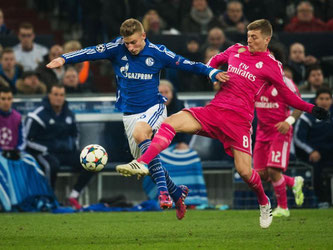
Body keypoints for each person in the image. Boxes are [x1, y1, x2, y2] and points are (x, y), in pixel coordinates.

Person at [116, 19, 329, 228]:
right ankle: (143, 162)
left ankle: (264, 202)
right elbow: (213, 62)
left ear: (267, 39)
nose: (250, 41)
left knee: (245, 172)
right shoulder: (236, 49)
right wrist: (213, 75)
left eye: (254, 37)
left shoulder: (272, 65)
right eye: (248, 36)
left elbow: (288, 96)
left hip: (239, 122)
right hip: (215, 110)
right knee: (170, 122)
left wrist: (311, 109)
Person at [46, 18, 223, 219]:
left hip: (154, 107)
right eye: (127, 43)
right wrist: (63, 59)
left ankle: (163, 194)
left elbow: (187, 64)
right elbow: (91, 51)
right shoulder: (117, 47)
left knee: (142, 135)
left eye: (134, 42)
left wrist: (211, 71)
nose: (130, 47)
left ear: (143, 36)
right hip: (129, 115)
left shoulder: (158, 52)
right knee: (147, 162)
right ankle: (177, 192)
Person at [24, 84, 95, 210]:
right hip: (45, 152)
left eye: (61, 95)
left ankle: (74, 195)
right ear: (49, 95)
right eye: (55, 94)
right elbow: (27, 140)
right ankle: (49, 199)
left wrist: (73, 147)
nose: (58, 98)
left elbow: (76, 134)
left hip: (66, 152)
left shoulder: (69, 114)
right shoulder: (37, 115)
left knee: (92, 162)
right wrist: (45, 149)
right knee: (51, 165)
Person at [253, 62, 305, 217]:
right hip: (262, 133)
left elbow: (300, 106)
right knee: (260, 173)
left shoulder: (285, 82)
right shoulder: (255, 82)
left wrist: (288, 122)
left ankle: (283, 208)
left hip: (280, 133)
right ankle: (293, 182)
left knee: (273, 170)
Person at [294, 87, 333, 207]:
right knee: (317, 167)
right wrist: (311, 151)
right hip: (313, 154)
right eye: (321, 99)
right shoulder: (307, 116)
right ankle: (322, 201)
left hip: (330, 152)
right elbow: (298, 139)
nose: (324, 102)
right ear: (316, 100)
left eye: (327, 99)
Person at [158, 79, 191, 150]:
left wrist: (184, 142)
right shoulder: (148, 108)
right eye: (161, 93)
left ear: (172, 94)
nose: (164, 96)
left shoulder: (180, 106)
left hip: (175, 145)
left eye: (166, 92)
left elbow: (187, 128)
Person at [0, 86, 25, 160]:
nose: (6, 102)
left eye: (9, 99)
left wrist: (17, 150)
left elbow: (22, 140)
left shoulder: (18, 117)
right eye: (3, 99)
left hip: (15, 154)